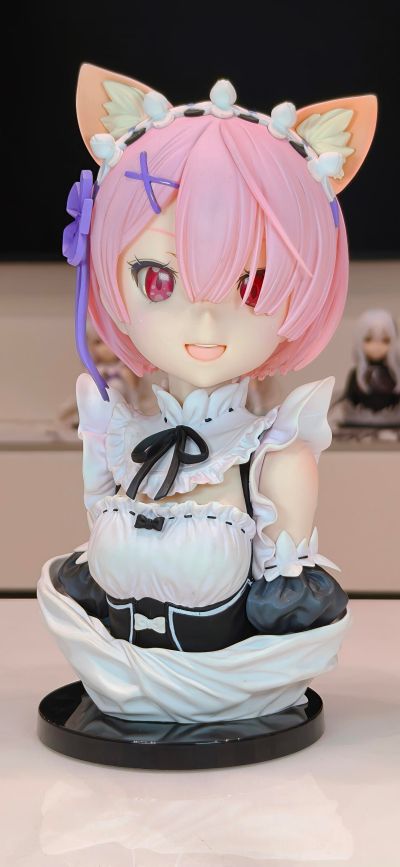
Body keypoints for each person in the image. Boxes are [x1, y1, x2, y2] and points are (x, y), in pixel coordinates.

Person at [37, 64, 377, 722]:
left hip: (233, 705)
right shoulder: (116, 435)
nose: (204, 321)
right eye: (158, 280)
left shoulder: (276, 457)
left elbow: (282, 615)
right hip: (109, 698)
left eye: (251, 284)